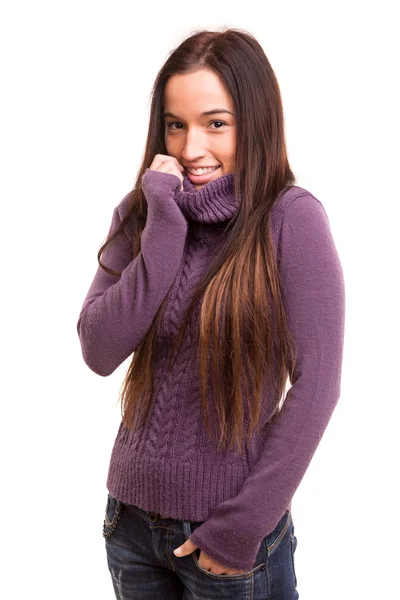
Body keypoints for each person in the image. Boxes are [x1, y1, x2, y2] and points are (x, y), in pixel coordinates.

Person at [77, 27, 345, 599]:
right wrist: (165, 226)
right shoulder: (146, 210)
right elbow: (99, 350)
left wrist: (243, 526)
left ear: (255, 122)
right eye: (176, 124)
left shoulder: (289, 219)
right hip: (128, 523)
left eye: (215, 123)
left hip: (228, 535)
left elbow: (318, 384)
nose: (191, 148)